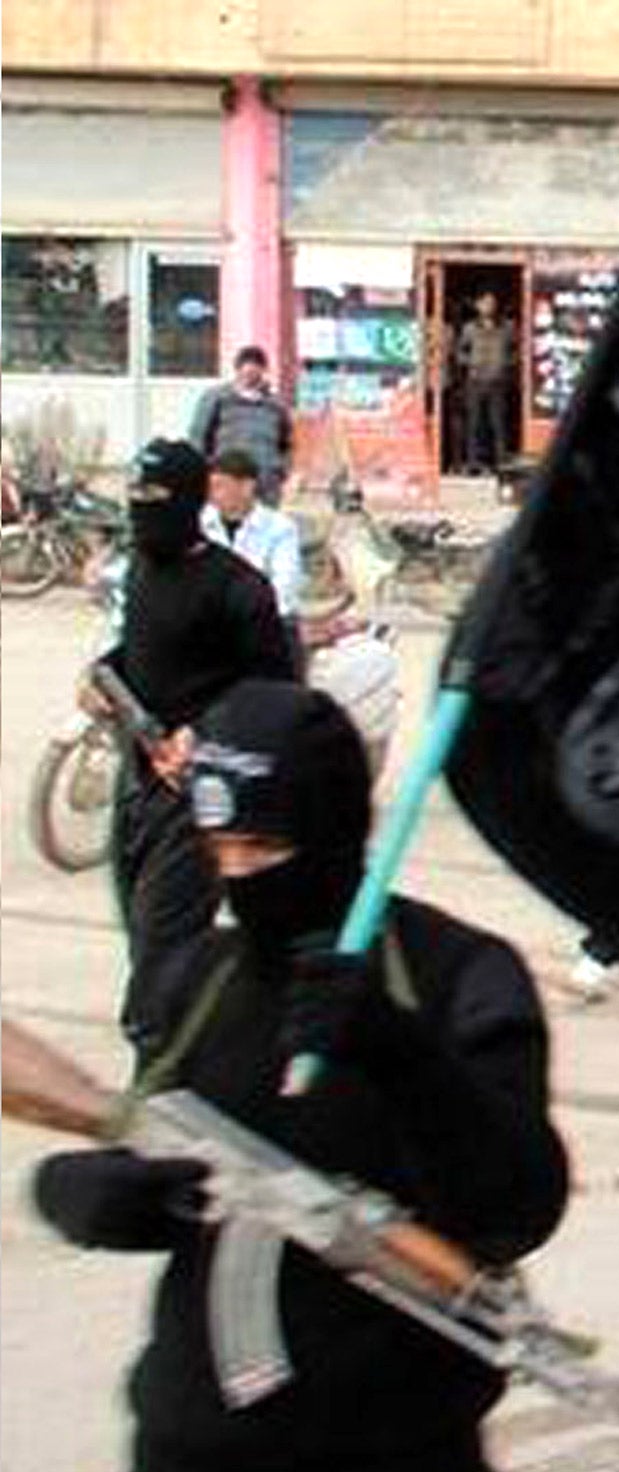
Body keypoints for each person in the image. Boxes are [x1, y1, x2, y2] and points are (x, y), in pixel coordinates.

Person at [32, 678, 570, 1472]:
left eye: (265, 846)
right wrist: (94, 1192)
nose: (240, 874)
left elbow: (516, 1209)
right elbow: (159, 1143)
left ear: (332, 829)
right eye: (222, 848)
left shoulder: (457, 976)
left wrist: (403, 1055)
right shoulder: (196, 977)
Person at [88, 439, 297, 1050]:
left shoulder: (240, 590)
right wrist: (100, 677)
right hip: (137, 792)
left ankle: (157, 1096)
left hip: (198, 803)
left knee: (161, 978)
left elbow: (278, 698)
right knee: (146, 947)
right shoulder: (143, 570)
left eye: (154, 501)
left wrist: (202, 734)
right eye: (134, 501)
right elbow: (139, 657)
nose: (141, 515)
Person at [201, 447, 304, 636]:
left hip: (265, 626)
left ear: (247, 486)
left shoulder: (279, 529)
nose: (212, 495)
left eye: (220, 486)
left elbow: (285, 587)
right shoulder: (200, 526)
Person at [189, 346, 293, 506]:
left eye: (255, 372)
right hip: (228, 476)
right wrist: (204, 470)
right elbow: (198, 436)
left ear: (263, 371)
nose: (249, 377)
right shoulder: (217, 399)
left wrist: (281, 471)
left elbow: (286, 442)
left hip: (265, 483)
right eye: (245, 372)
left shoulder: (275, 406)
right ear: (237, 370)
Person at [455, 292, 517, 475]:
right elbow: (459, 352)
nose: (488, 306)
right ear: (477, 305)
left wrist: (505, 364)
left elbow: (516, 351)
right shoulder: (470, 329)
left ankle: (501, 464)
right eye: (484, 303)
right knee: (474, 423)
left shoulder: (506, 328)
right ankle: (474, 463)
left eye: (491, 303)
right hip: (475, 381)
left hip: (497, 382)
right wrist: (472, 362)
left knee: (498, 424)